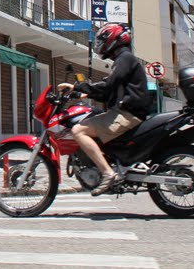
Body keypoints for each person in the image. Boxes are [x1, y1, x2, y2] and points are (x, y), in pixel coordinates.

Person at [57, 23, 151, 196]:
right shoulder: (124, 59)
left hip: (127, 114)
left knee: (79, 131)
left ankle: (108, 173)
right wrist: (80, 93)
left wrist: (76, 86)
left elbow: (108, 85)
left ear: (113, 39)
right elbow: (110, 92)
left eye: (103, 40)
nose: (101, 44)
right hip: (127, 111)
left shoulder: (124, 58)